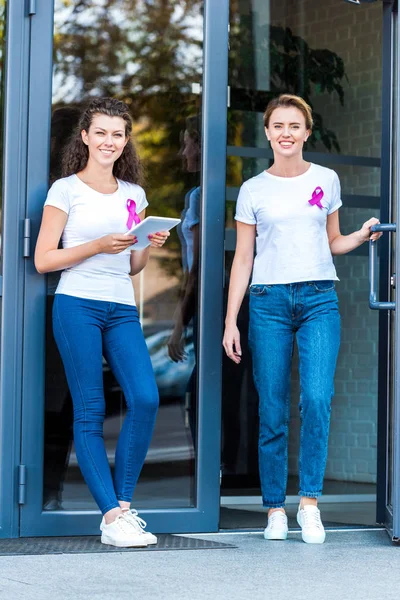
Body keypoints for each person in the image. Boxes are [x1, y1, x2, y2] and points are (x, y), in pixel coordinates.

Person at [222, 94, 382, 544]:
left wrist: (361, 235)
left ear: (306, 132)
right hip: (268, 301)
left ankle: (309, 503)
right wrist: (231, 320)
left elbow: (331, 242)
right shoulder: (253, 190)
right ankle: (275, 508)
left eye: (295, 125)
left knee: (316, 398)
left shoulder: (326, 180)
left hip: (318, 299)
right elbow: (243, 259)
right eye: (278, 125)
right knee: (271, 407)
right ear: (268, 132)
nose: (286, 132)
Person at [35, 97, 170, 548]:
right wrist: (95, 245)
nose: (109, 141)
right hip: (77, 305)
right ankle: (111, 517)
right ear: (85, 137)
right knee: (90, 410)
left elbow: (133, 266)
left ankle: (124, 508)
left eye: (118, 134)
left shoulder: (134, 194)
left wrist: (148, 242)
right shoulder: (65, 190)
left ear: (126, 141)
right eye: (102, 133)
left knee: (145, 398)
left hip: (121, 308)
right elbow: (43, 259)